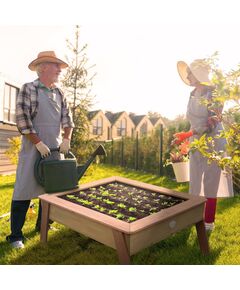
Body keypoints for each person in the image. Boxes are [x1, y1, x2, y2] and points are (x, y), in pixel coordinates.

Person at [6, 51, 74, 248]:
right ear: (43, 67)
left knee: (50, 190)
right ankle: (15, 236)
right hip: (33, 146)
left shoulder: (60, 93)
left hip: (55, 147)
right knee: (23, 189)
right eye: (56, 66)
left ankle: (42, 226)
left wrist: (67, 139)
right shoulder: (29, 89)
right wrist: (38, 142)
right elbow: (22, 120)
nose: (59, 70)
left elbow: (68, 119)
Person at [174, 59, 233, 231]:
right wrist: (186, 138)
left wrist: (189, 134)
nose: (187, 76)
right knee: (194, 181)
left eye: (190, 73)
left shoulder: (215, 93)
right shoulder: (192, 94)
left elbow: (212, 122)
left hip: (214, 141)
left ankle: (208, 223)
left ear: (199, 73)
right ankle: (193, 218)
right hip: (196, 141)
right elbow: (193, 120)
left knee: (210, 181)